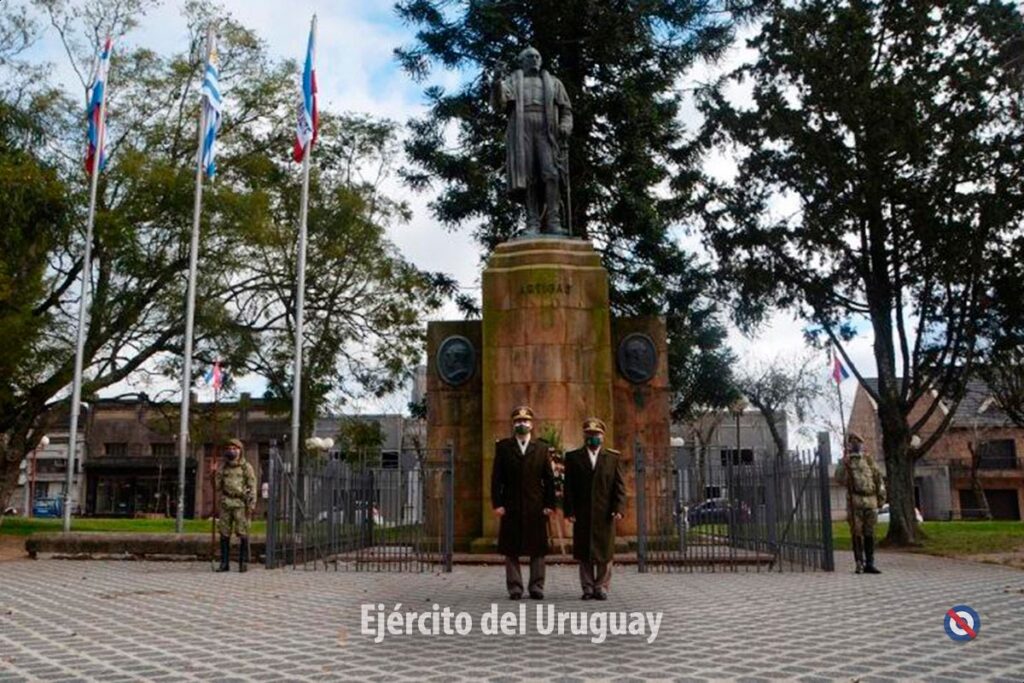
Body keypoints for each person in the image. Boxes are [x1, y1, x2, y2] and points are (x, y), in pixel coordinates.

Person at [491, 46, 573, 234]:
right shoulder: (513, 81)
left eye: (537, 56)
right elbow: (499, 104)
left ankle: (553, 221)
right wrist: (496, 80)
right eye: (530, 56)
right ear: (522, 61)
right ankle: (532, 222)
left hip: (547, 129)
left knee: (551, 174)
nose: (535, 59)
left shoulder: (554, 83)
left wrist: (565, 126)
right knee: (529, 176)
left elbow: (566, 110)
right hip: (522, 129)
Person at [491, 406, 555, 599]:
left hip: (536, 506)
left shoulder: (542, 448)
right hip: (511, 505)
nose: (522, 424)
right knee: (511, 549)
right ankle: (515, 588)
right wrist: (498, 504)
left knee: (538, 549)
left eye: (525, 421)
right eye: (518, 421)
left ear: (531, 425)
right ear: (513, 424)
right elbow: (496, 479)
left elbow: (549, 479)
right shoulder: (503, 447)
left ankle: (536, 587)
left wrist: (549, 504)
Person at [563, 418, 626, 600]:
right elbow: (569, 488)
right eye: (590, 434)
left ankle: (601, 587)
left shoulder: (612, 458)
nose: (593, 437)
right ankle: (588, 588)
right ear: (584, 436)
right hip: (582, 512)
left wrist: (618, 508)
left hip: (605, 513)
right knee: (584, 552)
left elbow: (619, 487)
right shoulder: (573, 457)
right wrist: (569, 511)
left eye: (596, 434)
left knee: (604, 552)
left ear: (603, 436)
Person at [835, 431, 886, 574]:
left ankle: (870, 563)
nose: (856, 444)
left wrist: (881, 499)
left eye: (858, 442)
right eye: (853, 442)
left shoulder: (869, 460)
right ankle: (859, 563)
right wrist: (843, 463)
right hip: (855, 501)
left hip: (871, 500)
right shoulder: (846, 461)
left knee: (870, 533)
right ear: (849, 444)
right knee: (856, 533)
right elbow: (839, 479)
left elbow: (879, 480)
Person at [214, 438, 257, 573]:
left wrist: (252, 504)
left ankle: (243, 562)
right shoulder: (223, 467)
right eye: (229, 448)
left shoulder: (246, 467)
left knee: (242, 532)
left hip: (240, 503)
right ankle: (224, 563)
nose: (231, 451)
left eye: (234, 449)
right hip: (226, 502)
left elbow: (252, 486)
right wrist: (214, 473)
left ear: (240, 450)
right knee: (224, 533)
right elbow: (217, 486)